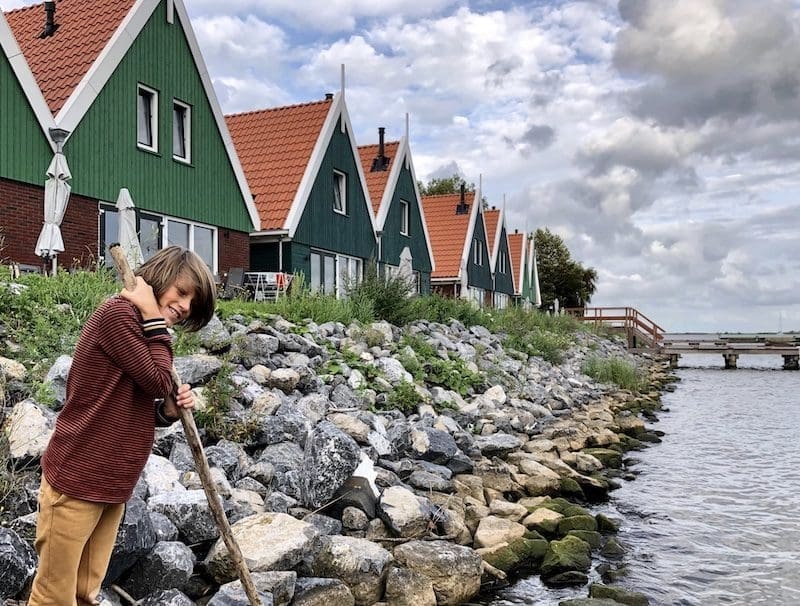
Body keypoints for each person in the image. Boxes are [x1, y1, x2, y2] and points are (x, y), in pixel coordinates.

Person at [27, 246, 216, 606]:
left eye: (193, 303)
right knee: (53, 596)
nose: (185, 307)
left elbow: (132, 406)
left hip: (112, 485)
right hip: (78, 477)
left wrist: (168, 413)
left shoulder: (146, 328)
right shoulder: (120, 315)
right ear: (160, 277)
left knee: (84, 593)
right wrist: (152, 316)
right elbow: (159, 381)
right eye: (182, 292)